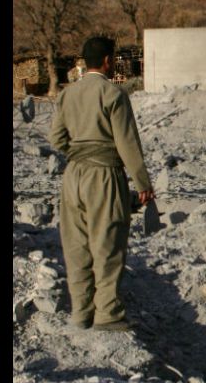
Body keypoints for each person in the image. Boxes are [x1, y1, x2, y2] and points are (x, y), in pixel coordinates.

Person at [49, 36, 155, 331]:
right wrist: (142, 183)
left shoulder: (68, 94)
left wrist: (79, 154)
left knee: (76, 246)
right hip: (104, 175)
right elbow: (127, 144)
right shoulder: (113, 94)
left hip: (73, 175)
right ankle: (108, 315)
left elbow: (55, 138)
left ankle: (81, 314)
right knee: (107, 244)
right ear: (108, 61)